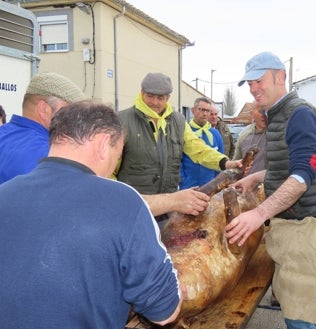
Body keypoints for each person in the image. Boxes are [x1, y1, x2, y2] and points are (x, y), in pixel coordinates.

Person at [0, 101, 182, 328]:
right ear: (105, 143)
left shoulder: (4, 193)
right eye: (118, 155)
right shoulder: (124, 202)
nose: (113, 166)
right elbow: (164, 311)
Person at [225, 52, 316, 329]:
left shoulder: (299, 115)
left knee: (299, 304)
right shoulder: (277, 114)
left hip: (311, 220)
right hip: (297, 216)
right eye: (249, 84)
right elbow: (290, 165)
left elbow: (302, 176)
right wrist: (256, 177)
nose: (253, 89)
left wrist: (258, 214)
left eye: (258, 80)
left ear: (280, 76)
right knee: (302, 298)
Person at [115, 72, 242, 218]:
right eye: (150, 96)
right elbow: (109, 169)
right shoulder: (121, 120)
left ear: (168, 98)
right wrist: (115, 199)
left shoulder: (178, 121)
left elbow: (197, 148)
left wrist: (225, 163)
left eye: (160, 98)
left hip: (168, 208)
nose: (155, 102)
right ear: (142, 93)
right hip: (134, 208)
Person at [0, 72, 86, 184]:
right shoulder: (51, 153)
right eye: (69, 112)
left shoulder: (4, 134)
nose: (74, 120)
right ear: (43, 109)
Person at [179, 97, 224, 189]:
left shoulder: (215, 134)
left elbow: (220, 158)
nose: (204, 114)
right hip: (188, 186)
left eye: (207, 111)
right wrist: (183, 181)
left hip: (210, 186)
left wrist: (217, 183)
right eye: (201, 110)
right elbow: (177, 160)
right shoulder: (184, 131)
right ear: (193, 110)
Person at [233, 101, 267, 175]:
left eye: (266, 111)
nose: (264, 115)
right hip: (246, 184)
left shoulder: (276, 134)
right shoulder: (244, 135)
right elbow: (236, 164)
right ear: (252, 114)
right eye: (260, 111)